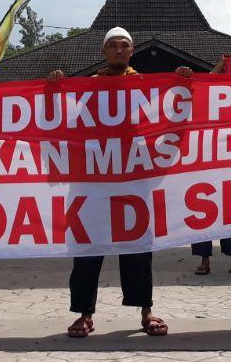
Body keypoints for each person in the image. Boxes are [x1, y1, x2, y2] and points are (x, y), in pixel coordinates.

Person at [47, 27, 194, 338]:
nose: (118, 50)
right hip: (93, 180)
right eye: (112, 45)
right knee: (87, 248)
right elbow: (63, 125)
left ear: (132, 51)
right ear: (103, 52)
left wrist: (183, 84)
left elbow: (173, 119)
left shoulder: (146, 88)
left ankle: (146, 310)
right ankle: (85, 314)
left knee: (139, 247)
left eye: (123, 45)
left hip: (132, 178)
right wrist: (53, 90)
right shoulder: (87, 89)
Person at [192, 60, 231, 277]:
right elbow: (202, 84)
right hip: (204, 168)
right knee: (203, 216)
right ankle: (204, 261)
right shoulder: (204, 105)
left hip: (230, 168)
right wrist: (222, 64)